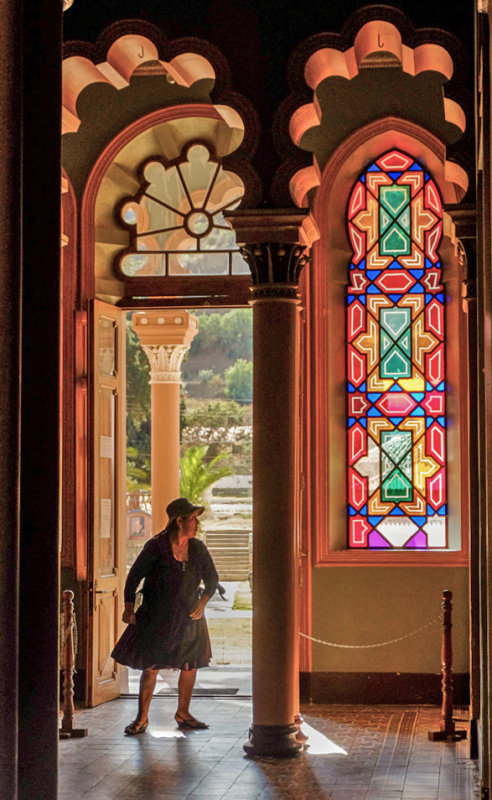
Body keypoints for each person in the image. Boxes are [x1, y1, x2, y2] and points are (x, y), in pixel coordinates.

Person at [111, 497, 218, 734]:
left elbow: (212, 579)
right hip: (156, 616)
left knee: (189, 665)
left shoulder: (198, 548)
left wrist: (202, 602)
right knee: (152, 665)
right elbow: (134, 577)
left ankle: (183, 713)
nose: (196, 523)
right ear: (179, 521)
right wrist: (129, 607)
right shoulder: (156, 546)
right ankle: (141, 718)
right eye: (192, 518)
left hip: (189, 618)